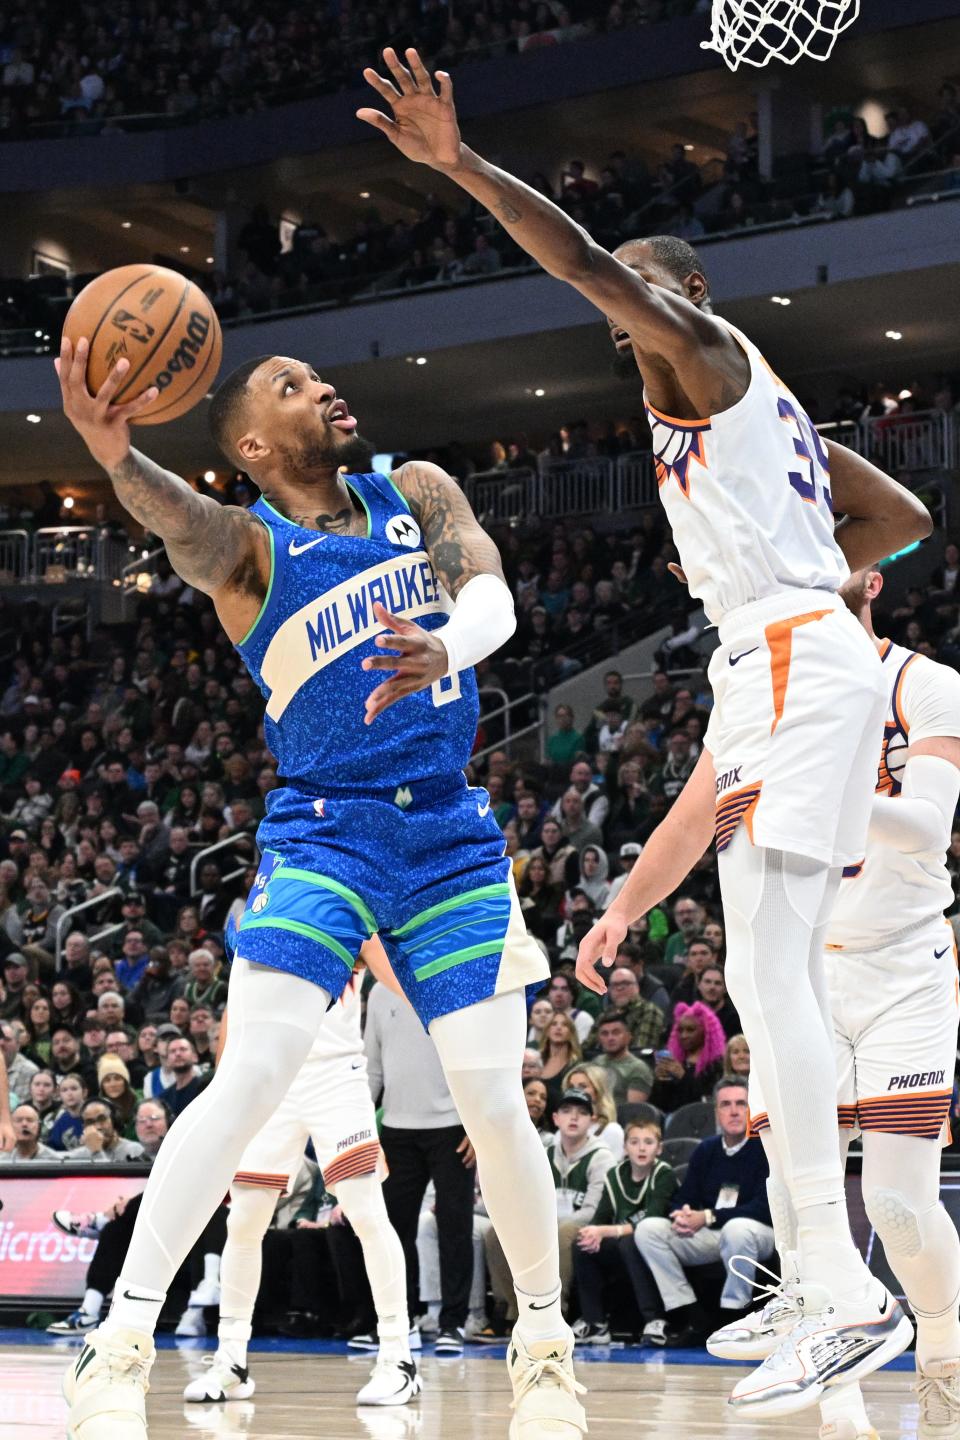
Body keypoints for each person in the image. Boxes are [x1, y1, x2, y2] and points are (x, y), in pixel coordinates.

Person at [360, 48, 933, 1412]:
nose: (626, 309)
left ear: (679, 292)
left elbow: (582, 268)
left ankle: (839, 1289)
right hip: (801, 657)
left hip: (791, 660)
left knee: (769, 978)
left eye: (642, 288)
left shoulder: (699, 352)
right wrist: (806, 562)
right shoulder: (759, 398)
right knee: (771, 974)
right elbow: (900, 526)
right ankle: (822, 1281)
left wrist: (457, 167)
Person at [57, 332, 558, 1440]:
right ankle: (124, 1337)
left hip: (450, 837)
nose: (323, 386)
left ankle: (545, 1348)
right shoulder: (247, 550)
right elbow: (173, 515)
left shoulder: (413, 489)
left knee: (491, 1097)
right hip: (324, 832)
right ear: (251, 442)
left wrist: (448, 648)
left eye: (317, 376)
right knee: (251, 1076)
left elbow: (493, 592)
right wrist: (112, 454)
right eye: (290, 385)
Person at [711, 568, 960, 1439]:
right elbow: (695, 809)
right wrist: (626, 908)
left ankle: (944, 1358)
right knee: (795, 1193)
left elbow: (930, 826)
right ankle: (839, 1413)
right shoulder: (755, 687)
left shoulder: (925, 684)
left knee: (896, 1207)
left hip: (903, 967)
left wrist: (823, 795)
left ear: (870, 575)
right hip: (807, 963)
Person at [185, 943, 418, 1408]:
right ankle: (231, 1359)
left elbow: (402, 981)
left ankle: (398, 1358)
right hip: (269, 1077)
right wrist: (225, 1084)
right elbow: (238, 1003)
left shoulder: (348, 891)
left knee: (367, 1215)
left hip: (336, 1074)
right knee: (244, 1222)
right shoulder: (263, 899)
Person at [365, 974, 476, 1357]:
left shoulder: (450, 976)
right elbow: (372, 1068)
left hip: (452, 1127)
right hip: (395, 1127)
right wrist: (362, 1128)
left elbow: (476, 1057)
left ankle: (453, 1323)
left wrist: (477, 1124)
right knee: (393, 1231)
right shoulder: (378, 991)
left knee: (455, 1228)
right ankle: (401, 1319)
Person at [634, 1078, 774, 1347]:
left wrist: (708, 1217)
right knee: (649, 1229)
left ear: (750, 1109)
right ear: (716, 1112)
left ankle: (734, 1315)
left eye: (740, 1104)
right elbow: (684, 1197)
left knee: (738, 1229)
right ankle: (688, 1313)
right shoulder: (706, 1149)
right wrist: (682, 1214)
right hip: (713, 1234)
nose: (733, 1111)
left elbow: (764, 1209)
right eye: (726, 1105)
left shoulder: (765, 1147)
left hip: (759, 1233)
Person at [485, 1088, 614, 1324]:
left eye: (582, 1112)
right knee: (496, 1233)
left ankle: (556, 1313)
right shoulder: (542, 1153)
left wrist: (548, 1225)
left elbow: (593, 1210)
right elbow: (526, 1198)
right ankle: (514, 1312)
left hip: (584, 1223)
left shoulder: (601, 1157)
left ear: (592, 1121)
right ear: (555, 1118)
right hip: (546, 1222)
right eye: (566, 1111)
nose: (574, 1117)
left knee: (562, 1233)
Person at [572, 1117, 678, 1344]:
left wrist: (605, 1231)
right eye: (634, 1142)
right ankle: (595, 1323)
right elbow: (600, 1219)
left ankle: (654, 1319)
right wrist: (593, 1232)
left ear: (659, 1148)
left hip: (657, 1246)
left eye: (648, 1142)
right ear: (625, 1147)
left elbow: (653, 1217)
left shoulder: (664, 1174)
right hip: (620, 1245)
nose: (641, 1148)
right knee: (582, 1241)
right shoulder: (615, 1175)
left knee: (631, 1241)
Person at [649, 1003, 727, 1112]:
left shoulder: (716, 1065)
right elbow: (657, 1106)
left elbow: (707, 1102)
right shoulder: (675, 1063)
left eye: (690, 1030)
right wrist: (659, 1082)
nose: (684, 1035)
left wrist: (683, 1077)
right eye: (680, 1030)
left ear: (706, 1031)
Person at [591, 1012, 653, 1106]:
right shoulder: (595, 1062)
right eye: (605, 1034)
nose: (610, 1038)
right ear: (599, 1039)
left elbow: (632, 1111)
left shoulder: (638, 1068)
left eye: (616, 1033)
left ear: (628, 1037)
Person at [70, 1097, 146, 1163]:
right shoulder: (79, 1155)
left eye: (102, 1119)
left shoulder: (133, 1150)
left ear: (114, 1120)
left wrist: (96, 1152)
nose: (97, 1127)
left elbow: (110, 1179)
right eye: (90, 1122)